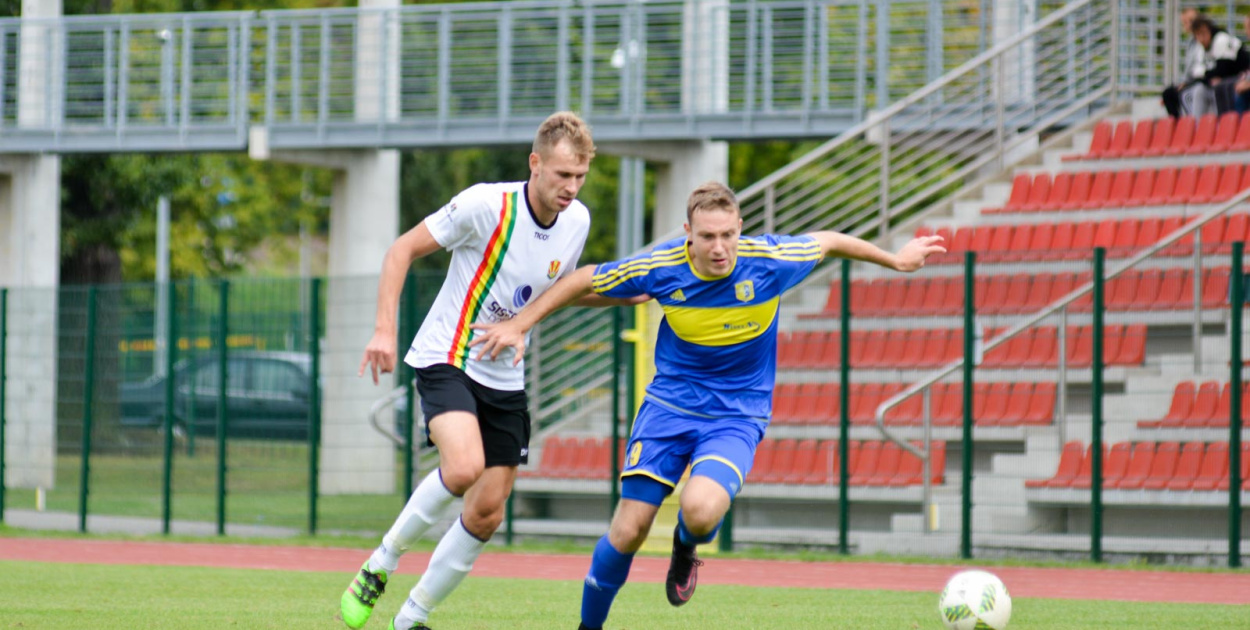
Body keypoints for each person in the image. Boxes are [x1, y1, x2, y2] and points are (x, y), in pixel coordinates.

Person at [468, 181, 946, 630]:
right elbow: (585, 279)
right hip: (669, 408)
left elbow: (830, 241)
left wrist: (895, 259)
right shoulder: (662, 267)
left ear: (740, 229)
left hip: (737, 416)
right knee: (629, 530)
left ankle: (685, 547)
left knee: (699, 512)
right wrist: (521, 322)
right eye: (707, 237)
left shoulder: (771, 260)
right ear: (688, 235)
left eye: (728, 235)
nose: (719, 247)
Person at [341, 111, 636, 630]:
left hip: (505, 377)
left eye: (580, 176)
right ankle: (381, 562)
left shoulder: (577, 221)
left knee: (487, 512)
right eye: (562, 174)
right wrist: (384, 329)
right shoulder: (486, 205)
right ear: (535, 163)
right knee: (462, 467)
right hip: (449, 356)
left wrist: (635, 291)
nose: (571, 187)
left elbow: (560, 292)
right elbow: (401, 250)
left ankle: (412, 617)